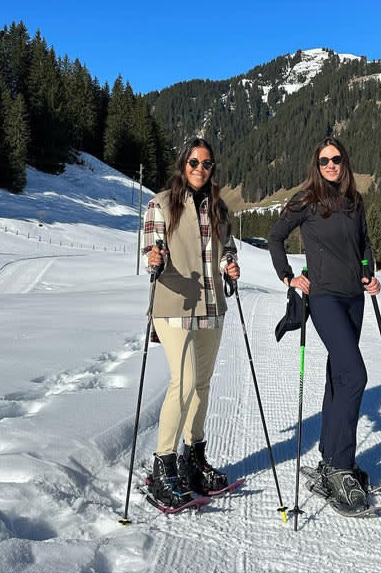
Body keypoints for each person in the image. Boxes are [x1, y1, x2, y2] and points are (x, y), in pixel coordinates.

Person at [268, 137, 381, 515]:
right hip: (325, 299)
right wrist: (289, 278)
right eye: (323, 160)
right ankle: (341, 464)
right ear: (315, 165)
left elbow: (364, 246)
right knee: (356, 375)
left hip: (354, 298)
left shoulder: (354, 201)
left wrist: (370, 275)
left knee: (339, 375)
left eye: (335, 159)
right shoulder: (306, 200)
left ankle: (329, 459)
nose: (330, 165)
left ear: (344, 162)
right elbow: (275, 237)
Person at [142, 138, 240, 508]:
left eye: (208, 164)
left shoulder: (218, 207)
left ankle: (192, 458)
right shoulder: (161, 204)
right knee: (181, 383)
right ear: (184, 164)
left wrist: (230, 264)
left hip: (212, 304)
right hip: (174, 304)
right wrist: (154, 256)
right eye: (194, 162)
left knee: (201, 384)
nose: (201, 169)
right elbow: (153, 249)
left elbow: (227, 247)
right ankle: (163, 464)